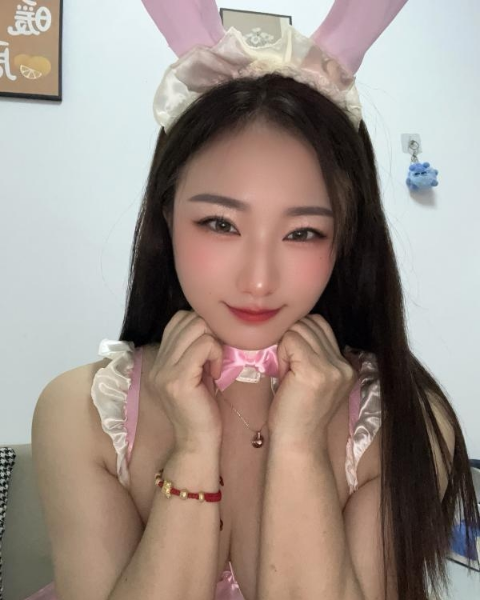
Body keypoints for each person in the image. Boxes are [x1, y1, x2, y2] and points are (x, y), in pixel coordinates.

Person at [29, 1, 480, 600]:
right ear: (167, 216)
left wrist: (299, 445)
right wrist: (193, 450)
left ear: (346, 239)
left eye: (304, 232)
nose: (259, 281)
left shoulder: (404, 421)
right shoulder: (82, 414)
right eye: (220, 224)